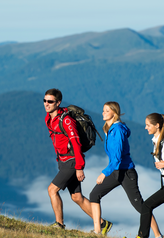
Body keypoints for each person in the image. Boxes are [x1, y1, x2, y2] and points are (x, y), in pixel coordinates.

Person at [89, 102, 162, 237]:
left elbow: (116, 159)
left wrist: (103, 173)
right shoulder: (109, 129)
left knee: (141, 207)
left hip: (126, 173)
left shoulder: (117, 130)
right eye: (103, 110)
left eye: (106, 111)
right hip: (116, 172)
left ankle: (158, 235)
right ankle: (97, 231)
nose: (103, 113)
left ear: (114, 113)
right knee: (94, 195)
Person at [43, 88, 110, 232]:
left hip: (72, 161)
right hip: (63, 161)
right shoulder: (48, 118)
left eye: (50, 101)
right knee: (77, 197)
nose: (46, 104)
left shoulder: (66, 121)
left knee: (52, 190)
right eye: (45, 100)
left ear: (58, 102)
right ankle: (103, 224)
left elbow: (76, 143)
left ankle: (59, 225)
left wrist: (79, 166)